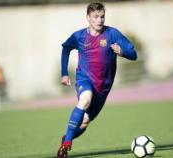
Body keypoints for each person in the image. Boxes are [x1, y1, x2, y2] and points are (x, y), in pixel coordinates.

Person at [57, 2, 137, 158]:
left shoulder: (112, 34)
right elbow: (66, 48)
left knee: (85, 121)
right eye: (95, 17)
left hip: (103, 88)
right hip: (84, 79)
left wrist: (122, 51)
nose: (99, 20)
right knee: (85, 99)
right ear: (88, 17)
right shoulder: (79, 36)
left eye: (102, 16)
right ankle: (67, 142)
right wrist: (64, 73)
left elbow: (133, 53)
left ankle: (66, 137)